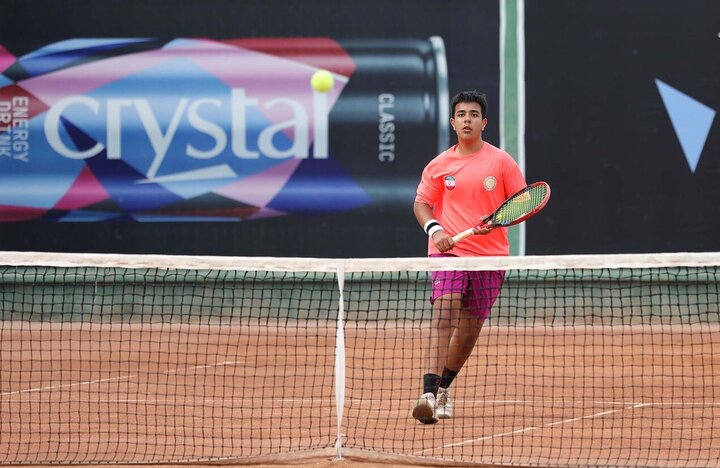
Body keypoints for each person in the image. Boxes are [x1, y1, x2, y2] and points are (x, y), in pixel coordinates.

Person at [411, 90, 526, 424]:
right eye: (461, 114)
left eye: (473, 115)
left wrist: (497, 222)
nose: (467, 120)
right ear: (452, 122)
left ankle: (444, 389)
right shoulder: (439, 165)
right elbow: (421, 204)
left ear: (483, 122)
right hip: (448, 253)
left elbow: (521, 203)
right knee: (444, 313)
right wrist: (435, 230)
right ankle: (428, 395)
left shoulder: (501, 162)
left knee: (470, 329)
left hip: (490, 257)